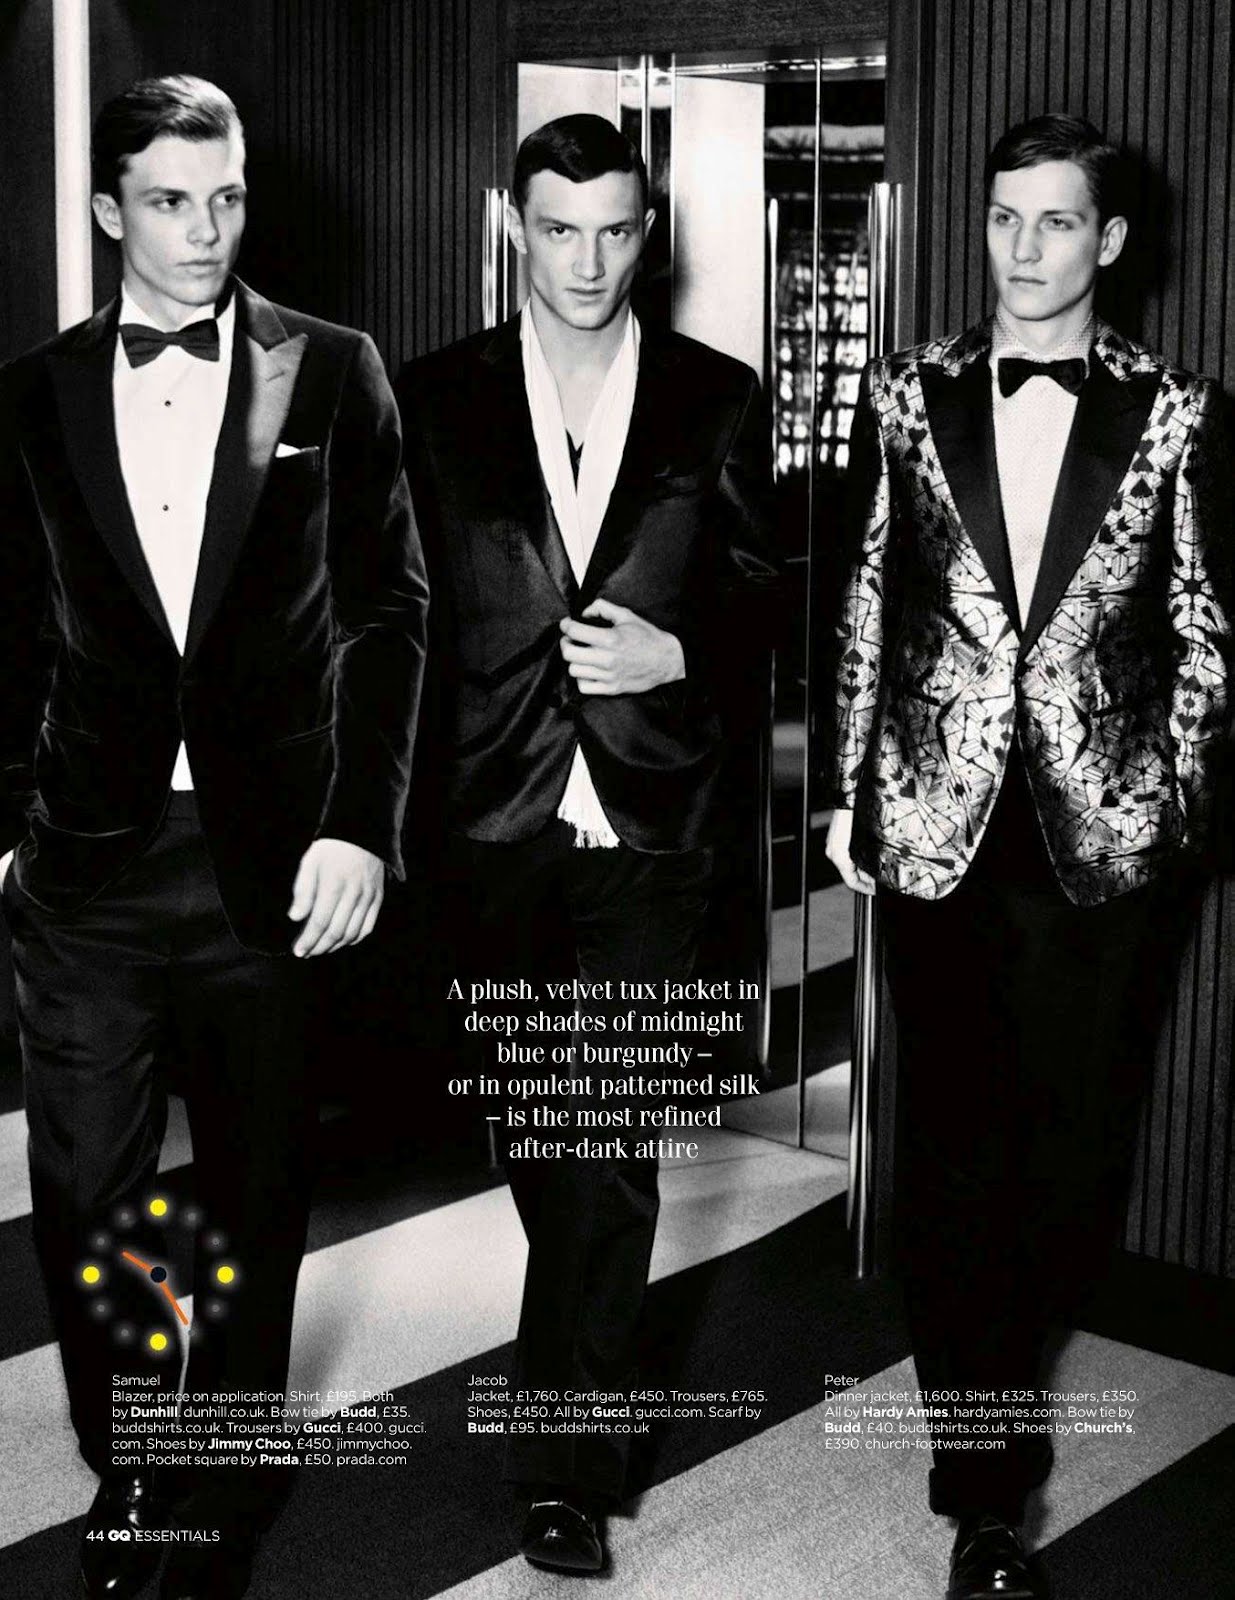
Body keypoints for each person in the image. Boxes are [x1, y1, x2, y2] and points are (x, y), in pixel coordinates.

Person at [0, 74, 426, 1600]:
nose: (205, 230)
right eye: (171, 202)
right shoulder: (28, 394)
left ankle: (229, 1478)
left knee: (254, 1195)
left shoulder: (337, 369)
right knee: (87, 1199)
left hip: (277, 865)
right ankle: (131, 1463)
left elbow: (388, 613)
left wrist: (360, 828)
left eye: (227, 198)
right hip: (87, 870)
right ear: (108, 209)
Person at [825, 113, 1231, 1600]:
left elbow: (1205, 634)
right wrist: (850, 795)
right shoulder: (904, 392)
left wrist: (1176, 820)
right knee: (949, 1156)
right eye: (1005, 218)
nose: (1024, 249)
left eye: (1057, 222)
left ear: (1109, 241)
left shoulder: (1180, 412)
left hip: (1103, 847)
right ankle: (984, 1490)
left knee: (1066, 1161)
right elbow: (870, 595)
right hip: (935, 825)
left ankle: (1013, 1371)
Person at [398, 113, 778, 1574]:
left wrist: (684, 654)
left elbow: (766, 590)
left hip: (650, 823)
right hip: (484, 815)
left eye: (615, 231)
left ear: (647, 232)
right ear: (517, 227)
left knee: (605, 1145)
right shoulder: (430, 397)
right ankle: (572, 1359)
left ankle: (565, 1465)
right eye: (559, 231)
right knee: (537, 1133)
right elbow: (390, 613)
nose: (587, 261)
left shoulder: (718, 397)